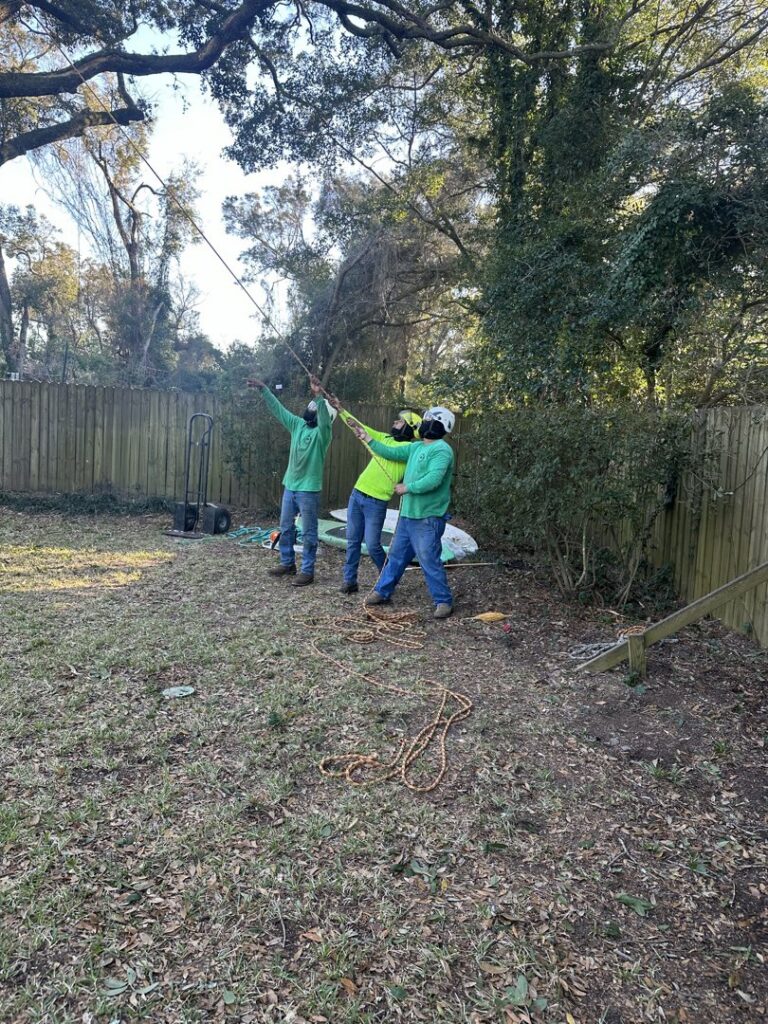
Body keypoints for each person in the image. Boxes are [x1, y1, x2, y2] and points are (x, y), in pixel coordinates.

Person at [354, 406, 456, 619]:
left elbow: (434, 479)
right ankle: (383, 591)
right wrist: (368, 439)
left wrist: (407, 487)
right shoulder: (416, 447)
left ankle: (443, 601)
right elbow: (390, 451)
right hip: (408, 515)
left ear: (438, 425)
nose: (424, 422)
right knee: (396, 557)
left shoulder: (442, 450)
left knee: (428, 558)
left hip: (427, 517)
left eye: (428, 419)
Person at [246, 374, 336, 586]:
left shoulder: (323, 435)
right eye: (311, 405)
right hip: (291, 486)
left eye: (314, 407)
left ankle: (307, 571)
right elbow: (279, 411)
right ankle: (288, 563)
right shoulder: (297, 425)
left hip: (309, 490)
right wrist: (264, 389)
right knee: (286, 528)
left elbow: (324, 421)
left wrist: (320, 398)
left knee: (309, 532)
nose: (310, 408)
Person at [327, 399, 422, 594]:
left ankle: (387, 580)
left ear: (408, 429)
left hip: (376, 502)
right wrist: (341, 409)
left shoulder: (409, 451)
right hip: (357, 494)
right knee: (352, 541)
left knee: (372, 546)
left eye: (399, 421)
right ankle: (350, 581)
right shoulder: (384, 438)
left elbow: (387, 452)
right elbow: (361, 427)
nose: (395, 423)